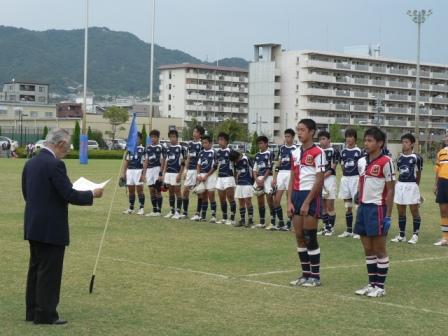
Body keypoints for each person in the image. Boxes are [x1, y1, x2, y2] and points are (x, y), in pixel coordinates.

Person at [22, 129, 103, 324]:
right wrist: (92, 194)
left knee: (36, 269)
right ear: (59, 145)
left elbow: (26, 193)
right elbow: (69, 194)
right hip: (52, 226)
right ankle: (46, 314)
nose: (65, 153)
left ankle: (33, 311)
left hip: (34, 223)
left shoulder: (30, 163)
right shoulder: (56, 165)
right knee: (49, 272)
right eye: (66, 149)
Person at [354, 127, 395, 298]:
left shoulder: (386, 161)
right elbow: (361, 182)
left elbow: (391, 190)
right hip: (363, 208)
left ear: (380, 143)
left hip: (377, 209)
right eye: (365, 140)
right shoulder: (362, 161)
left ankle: (381, 286)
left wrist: (387, 216)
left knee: (379, 249)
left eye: (370, 141)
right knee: (367, 249)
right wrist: (358, 194)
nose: (366, 143)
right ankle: (371, 284)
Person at [288, 119, 326, 287]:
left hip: (310, 196)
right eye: (298, 129)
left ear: (311, 132)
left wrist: (307, 201)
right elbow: (292, 177)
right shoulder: (295, 152)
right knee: (299, 236)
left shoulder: (319, 152)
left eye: (302, 129)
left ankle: (315, 276)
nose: (299, 132)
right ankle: (305, 274)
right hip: (295, 196)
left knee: (310, 236)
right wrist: (289, 201)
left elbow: (319, 180)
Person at [391, 133, 423, 244]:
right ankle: (402, 235)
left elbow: (418, 174)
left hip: (412, 185)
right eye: (403, 142)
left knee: (414, 211)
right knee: (401, 211)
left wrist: (415, 187)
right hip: (400, 185)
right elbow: (398, 172)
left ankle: (415, 235)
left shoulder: (416, 158)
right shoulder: (399, 158)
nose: (404, 144)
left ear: (412, 144)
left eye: (406, 142)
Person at [338, 129, 362, 239]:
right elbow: (342, 165)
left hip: (355, 178)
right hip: (345, 179)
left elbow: (362, 167)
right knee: (347, 205)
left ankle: (358, 231)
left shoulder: (359, 151)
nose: (348, 139)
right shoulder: (343, 152)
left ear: (355, 138)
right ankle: (348, 230)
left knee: (358, 206)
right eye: (347, 136)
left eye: (351, 136)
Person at [271, 129, 297, 231]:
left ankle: (289, 222)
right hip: (281, 174)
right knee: (276, 200)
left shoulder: (296, 149)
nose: (287, 139)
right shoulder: (282, 148)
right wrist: (274, 178)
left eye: (289, 136)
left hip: (290, 174)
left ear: (293, 137)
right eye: (285, 136)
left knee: (289, 199)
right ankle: (281, 222)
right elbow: (278, 163)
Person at [317, 130, 339, 236]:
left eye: (324, 139)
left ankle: (331, 228)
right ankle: (326, 227)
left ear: (329, 140)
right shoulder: (318, 152)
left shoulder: (334, 151)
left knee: (330, 206)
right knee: (323, 206)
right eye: (320, 139)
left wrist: (321, 177)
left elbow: (332, 168)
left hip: (329, 180)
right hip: (320, 180)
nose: (321, 141)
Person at [253, 135, 276, 230]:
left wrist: (263, 179)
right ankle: (262, 222)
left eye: (261, 143)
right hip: (259, 179)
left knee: (270, 200)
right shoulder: (257, 155)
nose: (260, 145)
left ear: (266, 144)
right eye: (258, 143)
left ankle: (273, 222)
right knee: (260, 200)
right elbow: (254, 169)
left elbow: (269, 168)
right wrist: (256, 179)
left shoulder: (270, 153)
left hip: (268, 178)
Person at [162, 129, 186, 219]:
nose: (172, 139)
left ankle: (178, 212)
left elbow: (183, 163)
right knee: (170, 192)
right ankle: (172, 211)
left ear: (177, 138)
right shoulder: (168, 149)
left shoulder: (181, 148)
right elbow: (166, 162)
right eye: (171, 137)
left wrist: (180, 174)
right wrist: (164, 173)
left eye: (174, 137)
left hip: (176, 173)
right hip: (168, 173)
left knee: (177, 192)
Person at [122, 132, 146, 215]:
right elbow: (126, 162)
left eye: (137, 138)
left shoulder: (143, 149)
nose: (136, 140)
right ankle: (131, 208)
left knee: (140, 190)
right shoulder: (130, 149)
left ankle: (141, 208)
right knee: (131, 190)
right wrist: (124, 173)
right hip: (130, 171)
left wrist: (143, 174)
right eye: (134, 138)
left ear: (140, 139)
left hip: (138, 170)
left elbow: (145, 162)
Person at [183, 126, 204, 220]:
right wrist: (185, 170)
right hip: (189, 171)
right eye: (193, 131)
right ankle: (185, 213)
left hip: (197, 171)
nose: (194, 133)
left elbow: (202, 160)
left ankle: (197, 213)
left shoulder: (201, 145)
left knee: (199, 192)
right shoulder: (190, 144)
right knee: (185, 191)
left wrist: (199, 173)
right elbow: (188, 157)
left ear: (200, 134)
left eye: (196, 131)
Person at [215, 132, 237, 225]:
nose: (220, 141)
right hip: (220, 177)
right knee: (221, 198)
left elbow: (236, 165)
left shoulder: (231, 152)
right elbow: (216, 164)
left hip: (229, 177)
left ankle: (232, 218)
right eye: (219, 139)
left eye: (222, 140)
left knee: (230, 197)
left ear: (227, 141)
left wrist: (235, 177)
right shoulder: (218, 152)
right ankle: (224, 217)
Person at [196, 135, 218, 222]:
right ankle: (203, 216)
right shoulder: (201, 153)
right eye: (203, 143)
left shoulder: (214, 153)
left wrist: (206, 176)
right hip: (202, 176)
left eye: (206, 143)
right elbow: (198, 164)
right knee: (203, 196)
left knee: (211, 196)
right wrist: (198, 174)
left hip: (210, 176)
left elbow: (215, 167)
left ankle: (213, 216)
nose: (204, 144)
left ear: (210, 143)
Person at [144, 129, 165, 217]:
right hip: (149, 170)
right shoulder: (148, 148)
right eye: (151, 137)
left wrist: (161, 173)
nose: (153, 139)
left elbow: (163, 161)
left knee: (157, 190)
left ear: (157, 137)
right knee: (151, 190)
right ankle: (154, 210)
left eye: (154, 137)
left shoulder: (161, 147)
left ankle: (159, 211)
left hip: (157, 169)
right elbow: (146, 161)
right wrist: (144, 173)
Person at [232, 150, 255, 227]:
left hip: (247, 183)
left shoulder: (246, 159)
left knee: (248, 201)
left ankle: (250, 220)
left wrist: (254, 181)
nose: (236, 161)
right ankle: (242, 220)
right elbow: (236, 171)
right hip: (239, 183)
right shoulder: (235, 161)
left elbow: (254, 169)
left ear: (238, 156)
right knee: (241, 202)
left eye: (236, 160)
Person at [433, 134, 448, 246]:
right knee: (443, 210)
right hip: (442, 183)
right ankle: (445, 238)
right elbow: (438, 169)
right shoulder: (441, 152)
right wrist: (436, 184)